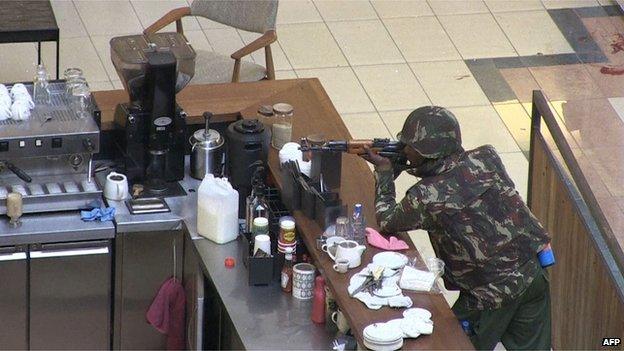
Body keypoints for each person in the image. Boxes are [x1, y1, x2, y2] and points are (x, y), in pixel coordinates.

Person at [362, 106, 552, 351]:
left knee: (448, 345)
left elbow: (387, 220)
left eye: (409, 146)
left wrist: (385, 173)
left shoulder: (426, 197)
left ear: (425, 151)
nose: (404, 149)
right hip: (533, 270)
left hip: (489, 296)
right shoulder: (487, 157)